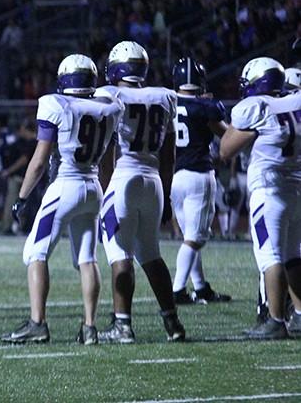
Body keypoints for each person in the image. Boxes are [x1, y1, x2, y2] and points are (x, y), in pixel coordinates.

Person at [1, 54, 123, 344]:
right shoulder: (109, 107)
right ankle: (90, 327)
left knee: (35, 252)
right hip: (93, 186)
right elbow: (109, 162)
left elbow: (40, 160)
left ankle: (37, 323)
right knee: (87, 258)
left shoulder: (55, 104)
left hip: (65, 184)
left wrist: (22, 197)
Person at [96, 41, 186, 343]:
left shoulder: (110, 95)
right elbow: (170, 154)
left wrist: (105, 190)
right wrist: (168, 194)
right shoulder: (164, 97)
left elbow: (107, 150)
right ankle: (172, 321)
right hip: (154, 181)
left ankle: (122, 325)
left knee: (119, 253)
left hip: (124, 178)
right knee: (151, 254)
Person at [220, 58, 301, 339]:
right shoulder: (295, 103)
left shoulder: (256, 108)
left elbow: (225, 150)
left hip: (270, 191)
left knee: (270, 256)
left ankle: (276, 320)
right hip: (296, 191)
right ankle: (300, 314)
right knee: (293, 256)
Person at [169, 58, 231, 304]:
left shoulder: (168, 103)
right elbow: (227, 134)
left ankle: (201, 287)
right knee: (194, 239)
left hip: (175, 176)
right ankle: (177, 291)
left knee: (189, 236)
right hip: (198, 175)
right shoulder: (205, 107)